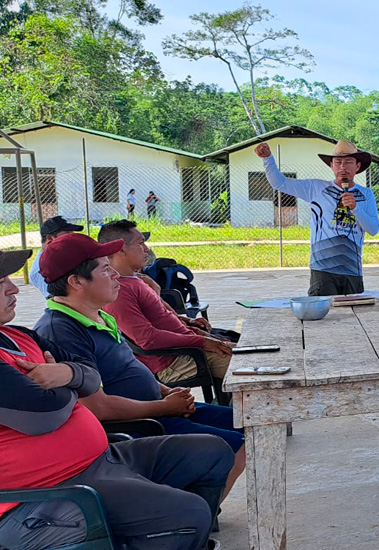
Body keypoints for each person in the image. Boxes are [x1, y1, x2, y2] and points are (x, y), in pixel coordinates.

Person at [0, 247, 232, 550]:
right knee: (189, 513)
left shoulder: (19, 335)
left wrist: (66, 375)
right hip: (48, 492)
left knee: (214, 451)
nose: (14, 287)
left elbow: (92, 377)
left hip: (100, 458)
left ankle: (174, 534)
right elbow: (46, 414)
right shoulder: (54, 329)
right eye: (1, 281)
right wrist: (72, 382)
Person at [32, 233, 246, 501]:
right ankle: (194, 513)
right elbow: (95, 407)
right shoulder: (62, 330)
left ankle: (198, 505)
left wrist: (166, 390)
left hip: (158, 407)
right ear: (76, 281)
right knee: (233, 447)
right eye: (105, 269)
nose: (115, 275)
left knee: (247, 423)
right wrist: (163, 407)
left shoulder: (97, 314)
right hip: (140, 423)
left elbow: (128, 365)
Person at [96, 220, 233, 388]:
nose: (146, 249)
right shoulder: (119, 290)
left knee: (256, 354)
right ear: (120, 249)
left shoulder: (135, 280)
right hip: (174, 361)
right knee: (255, 367)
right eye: (140, 244)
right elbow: (147, 339)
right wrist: (201, 341)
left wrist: (187, 322)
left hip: (189, 349)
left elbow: (159, 315)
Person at [255, 141, 379, 296]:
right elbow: (280, 183)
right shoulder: (315, 188)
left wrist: (356, 208)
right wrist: (267, 159)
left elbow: (373, 229)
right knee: (323, 317)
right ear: (331, 166)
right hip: (322, 271)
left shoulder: (366, 194)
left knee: (354, 315)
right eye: (338, 162)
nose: (343, 167)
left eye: (349, 162)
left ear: (358, 166)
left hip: (352, 271)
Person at [30, 216, 83, 296]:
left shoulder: (60, 258)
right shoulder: (41, 270)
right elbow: (59, 298)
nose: (73, 239)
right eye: (67, 236)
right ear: (50, 238)